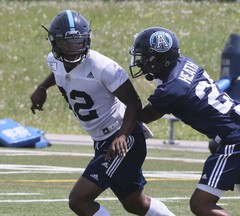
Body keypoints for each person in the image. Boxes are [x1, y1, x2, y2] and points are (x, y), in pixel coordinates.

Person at [30, 11, 175, 216]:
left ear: (87, 40)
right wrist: (42, 88)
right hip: (102, 139)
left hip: (121, 138)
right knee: (135, 203)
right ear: (54, 43)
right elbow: (59, 70)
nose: (73, 50)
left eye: (78, 43)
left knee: (79, 200)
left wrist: (122, 135)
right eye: (67, 44)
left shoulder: (102, 67)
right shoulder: (54, 60)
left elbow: (134, 103)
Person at [129, 27, 240, 216]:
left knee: (201, 204)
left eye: (144, 56)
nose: (140, 61)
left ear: (158, 58)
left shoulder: (171, 90)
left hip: (238, 138)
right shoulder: (185, 62)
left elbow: (145, 116)